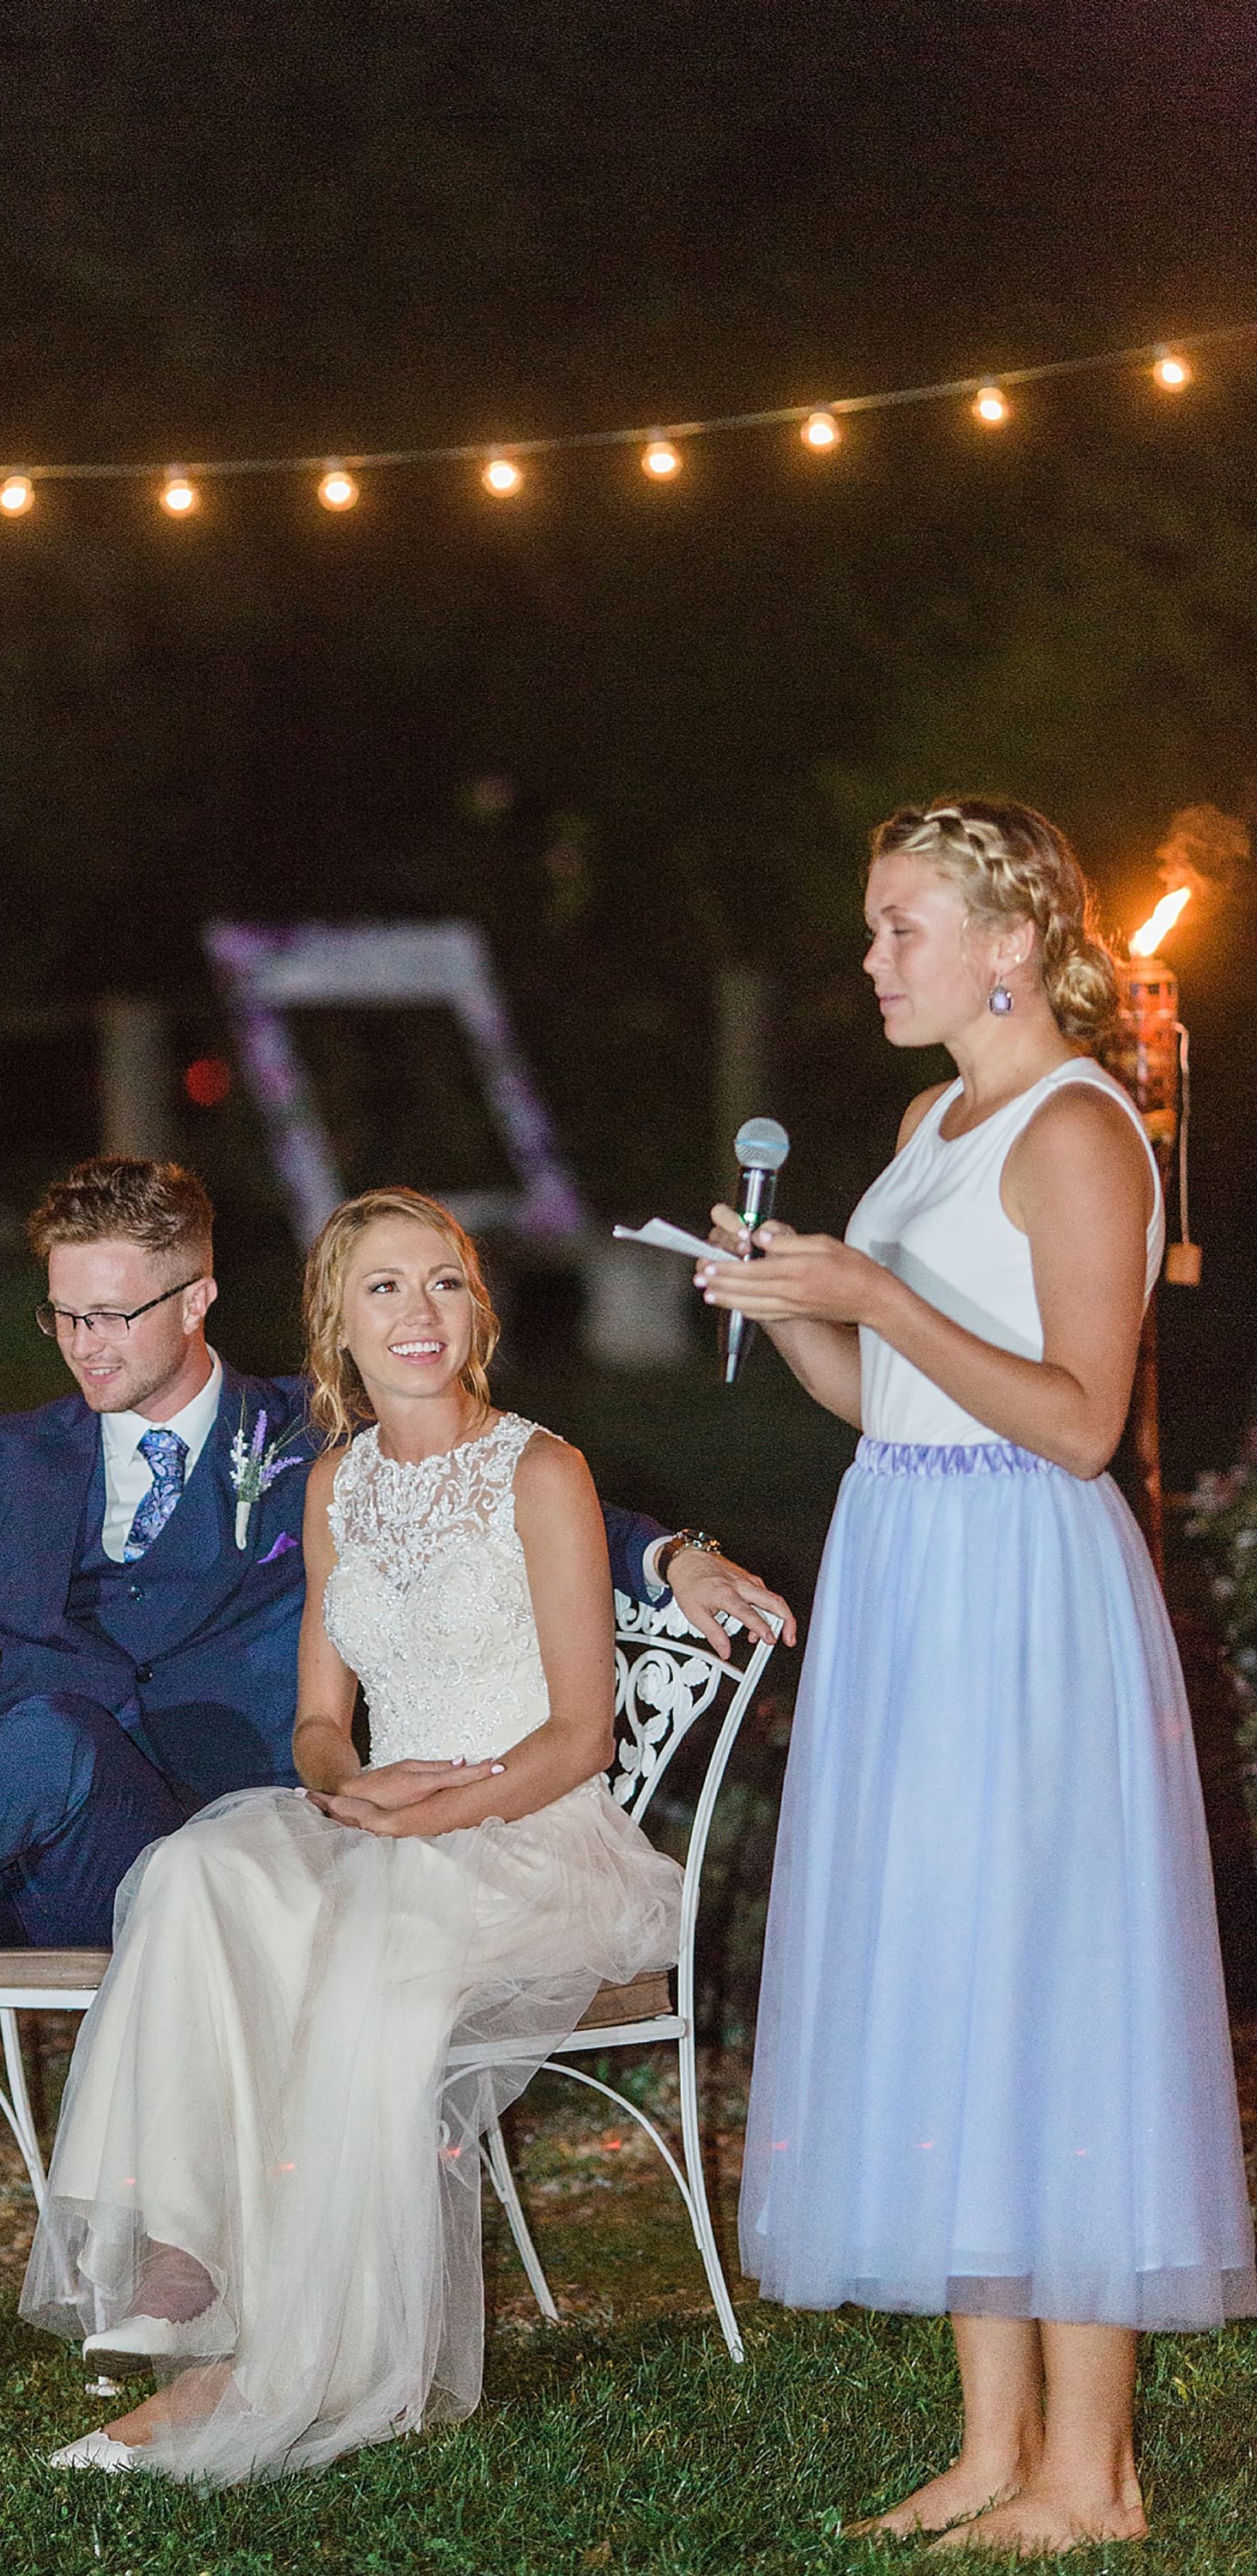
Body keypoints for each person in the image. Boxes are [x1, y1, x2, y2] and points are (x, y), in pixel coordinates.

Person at [0, 1155, 789, 2475]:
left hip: (224, 1869)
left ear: (197, 1297)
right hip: (22, 1845)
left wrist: (669, 1551)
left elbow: (498, 1488)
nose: (87, 1346)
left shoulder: (306, 1437)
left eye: (118, 1314)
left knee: (44, 1731)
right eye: (64, 1315)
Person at [697, 799, 1254, 2555]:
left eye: (898, 926)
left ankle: (1094, 2475)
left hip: (1024, 1584)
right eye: (872, 930)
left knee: (1049, 1987)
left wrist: (875, 1285)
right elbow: (893, 1399)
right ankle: (989, 2444)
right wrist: (790, 1302)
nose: (873, 960)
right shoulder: (926, 1116)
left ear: (1007, 941)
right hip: (910, 1565)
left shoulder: (1082, 1129)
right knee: (947, 1974)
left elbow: (1080, 1420)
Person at [26, 1186, 708, 2482]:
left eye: (442, 1282)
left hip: (533, 1830)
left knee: (371, 1963)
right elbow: (317, 1722)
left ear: (477, 1308)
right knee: (194, 1871)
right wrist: (349, 1791)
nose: (418, 1313)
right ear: (336, 1321)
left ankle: (291, 2359)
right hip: (391, 1815)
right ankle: (185, 2258)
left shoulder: (542, 1468)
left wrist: (430, 1807)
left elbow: (580, 1735)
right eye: (384, 1288)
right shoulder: (335, 1485)